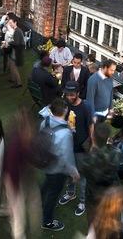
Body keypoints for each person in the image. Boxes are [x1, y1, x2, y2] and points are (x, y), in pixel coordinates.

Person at [39, 98, 79, 232]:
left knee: (47, 183)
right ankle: (47, 221)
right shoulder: (65, 133)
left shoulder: (45, 121)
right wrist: (73, 171)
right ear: (66, 111)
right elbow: (66, 156)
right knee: (53, 195)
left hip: (45, 162)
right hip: (57, 169)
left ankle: (39, 200)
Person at [3, 107, 41, 239]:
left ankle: (33, 228)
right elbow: (12, 168)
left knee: (33, 202)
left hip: (25, 175)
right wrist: (15, 189)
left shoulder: (28, 137)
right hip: (14, 178)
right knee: (17, 213)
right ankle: (19, 234)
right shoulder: (15, 143)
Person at [59, 81, 94, 217]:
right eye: (67, 94)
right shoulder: (65, 103)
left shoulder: (85, 106)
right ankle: (70, 193)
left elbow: (91, 126)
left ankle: (83, 201)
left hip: (81, 148)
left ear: (78, 93)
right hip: (68, 146)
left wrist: (92, 144)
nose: (69, 97)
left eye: (72, 95)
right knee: (69, 172)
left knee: (82, 177)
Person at [81, 122, 122, 224]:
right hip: (111, 191)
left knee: (93, 220)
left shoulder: (87, 160)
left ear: (93, 138)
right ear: (108, 138)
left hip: (94, 195)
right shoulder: (116, 152)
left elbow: (85, 172)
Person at [4, 16, 25, 88]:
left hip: (16, 52)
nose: (9, 24)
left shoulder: (17, 31)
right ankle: (12, 79)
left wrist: (8, 42)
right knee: (10, 64)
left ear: (15, 23)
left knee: (14, 67)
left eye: (11, 23)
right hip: (14, 51)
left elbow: (16, 43)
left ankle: (18, 83)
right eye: (9, 23)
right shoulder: (16, 30)